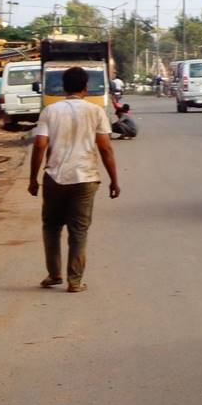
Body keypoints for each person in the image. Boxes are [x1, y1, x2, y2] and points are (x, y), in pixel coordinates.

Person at [28, 66, 121, 293]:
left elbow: (40, 145)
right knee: (78, 230)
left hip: (54, 177)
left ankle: (54, 274)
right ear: (85, 87)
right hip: (86, 177)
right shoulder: (96, 111)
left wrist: (33, 179)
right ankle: (75, 281)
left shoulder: (50, 111)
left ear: (64, 87)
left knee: (51, 226)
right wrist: (114, 180)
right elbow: (106, 148)